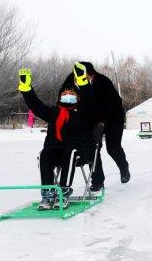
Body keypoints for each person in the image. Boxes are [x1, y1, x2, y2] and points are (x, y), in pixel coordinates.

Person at [18, 63, 96, 210]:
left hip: (79, 152)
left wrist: (82, 81)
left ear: (77, 98)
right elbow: (36, 105)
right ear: (60, 97)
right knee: (45, 154)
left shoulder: (83, 112)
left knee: (71, 152)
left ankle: (63, 192)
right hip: (56, 151)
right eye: (64, 95)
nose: (68, 97)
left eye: (71, 95)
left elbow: (90, 99)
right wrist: (26, 89)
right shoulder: (53, 113)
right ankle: (48, 194)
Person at [61, 62, 130, 191]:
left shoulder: (103, 82)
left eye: (82, 76)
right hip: (91, 116)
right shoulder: (72, 78)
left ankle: (123, 167)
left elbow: (107, 105)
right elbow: (64, 92)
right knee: (93, 147)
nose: (77, 79)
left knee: (113, 148)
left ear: (89, 74)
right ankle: (98, 181)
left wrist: (101, 123)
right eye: (76, 76)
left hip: (113, 116)